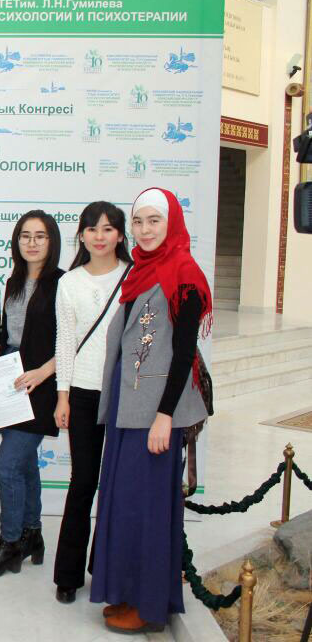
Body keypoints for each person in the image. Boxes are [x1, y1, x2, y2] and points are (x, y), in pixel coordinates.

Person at [90, 188, 211, 634]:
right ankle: (126, 590)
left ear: (171, 223)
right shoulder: (140, 271)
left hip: (156, 416)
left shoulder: (184, 273)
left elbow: (184, 353)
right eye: (138, 221)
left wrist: (165, 416)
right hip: (129, 409)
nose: (144, 230)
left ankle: (149, 605)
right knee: (124, 504)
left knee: (148, 509)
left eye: (154, 221)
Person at [0, 210, 62, 577]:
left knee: (7, 465)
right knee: (24, 464)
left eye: (40, 236)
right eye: (25, 235)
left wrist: (43, 372)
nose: (32, 242)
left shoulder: (62, 283)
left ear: (52, 241)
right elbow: (7, 332)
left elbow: (73, 341)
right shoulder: (13, 281)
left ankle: (9, 542)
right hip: (9, 380)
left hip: (40, 382)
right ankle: (32, 533)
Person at [52, 202, 132, 603]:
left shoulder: (134, 276)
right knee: (83, 481)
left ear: (120, 235)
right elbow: (65, 343)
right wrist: (62, 396)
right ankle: (68, 575)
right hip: (82, 392)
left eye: (108, 228)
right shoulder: (69, 282)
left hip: (124, 393)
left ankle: (105, 566)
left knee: (116, 484)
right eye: (92, 229)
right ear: (81, 235)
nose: (100, 236)